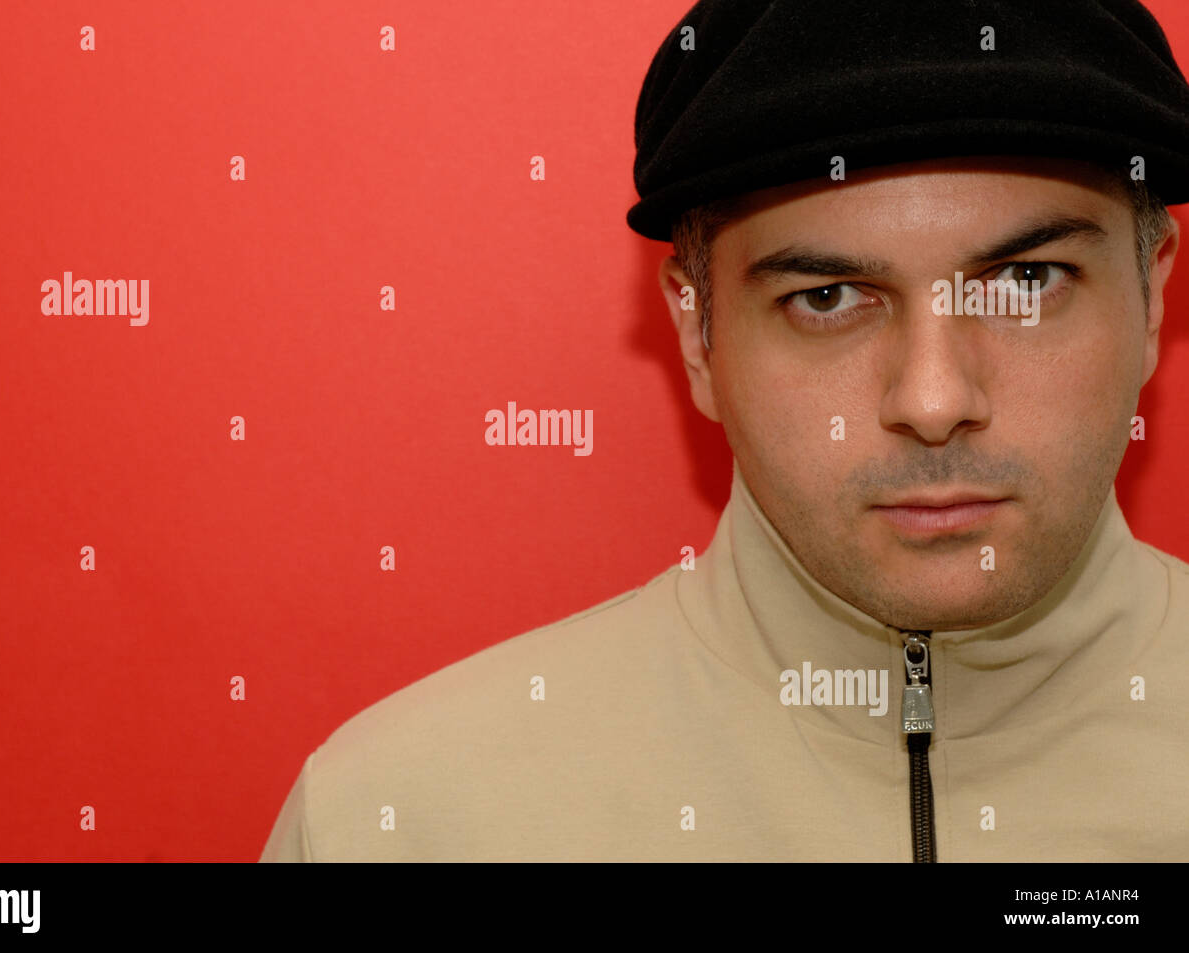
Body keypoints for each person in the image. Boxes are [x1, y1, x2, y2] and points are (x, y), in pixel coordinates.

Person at [260, 0, 1189, 861]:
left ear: (1153, 295)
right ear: (696, 335)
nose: (935, 399)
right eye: (826, 298)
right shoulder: (399, 819)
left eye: (1026, 281)